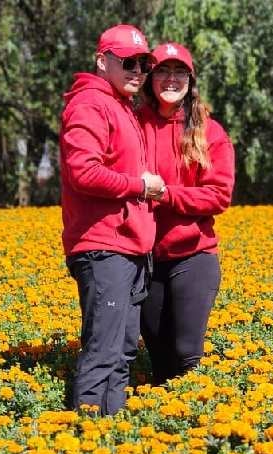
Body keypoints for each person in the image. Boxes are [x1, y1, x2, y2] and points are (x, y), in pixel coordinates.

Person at [60, 24, 166, 415]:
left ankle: (111, 437)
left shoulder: (121, 106)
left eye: (143, 63)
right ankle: (87, 445)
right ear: (102, 61)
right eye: (128, 62)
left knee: (121, 351)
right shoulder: (90, 103)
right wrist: (139, 186)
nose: (137, 70)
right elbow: (82, 172)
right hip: (104, 247)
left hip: (127, 247)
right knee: (104, 351)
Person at [139, 42, 235, 385]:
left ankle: (199, 423)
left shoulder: (210, 132)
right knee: (160, 360)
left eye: (180, 72)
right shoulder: (134, 125)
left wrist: (166, 195)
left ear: (190, 80)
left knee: (185, 353)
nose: (171, 78)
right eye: (163, 70)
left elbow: (218, 196)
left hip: (192, 255)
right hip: (144, 258)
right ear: (150, 78)